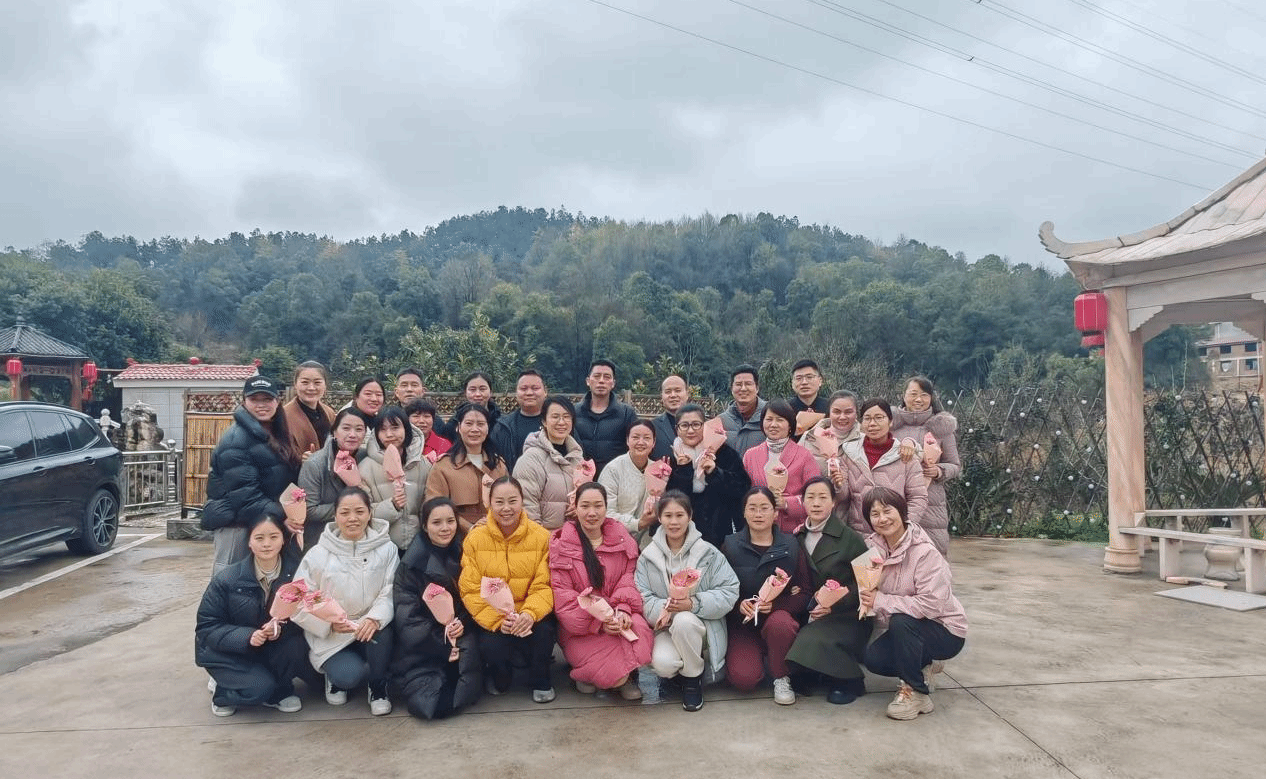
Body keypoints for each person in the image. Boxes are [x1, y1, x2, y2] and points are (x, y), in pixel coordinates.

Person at [859, 487, 967, 721]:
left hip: (945, 629)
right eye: (874, 514)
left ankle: (916, 692)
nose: (882, 518)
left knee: (901, 621)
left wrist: (881, 601)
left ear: (902, 512)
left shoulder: (925, 553)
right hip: (910, 628)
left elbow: (931, 606)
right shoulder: (871, 549)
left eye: (887, 511)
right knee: (874, 659)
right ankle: (923, 664)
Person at [292, 488, 398, 716]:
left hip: (368, 626)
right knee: (349, 676)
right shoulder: (317, 554)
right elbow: (298, 599)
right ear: (335, 516)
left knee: (384, 632)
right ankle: (335, 677)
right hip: (333, 634)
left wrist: (374, 618)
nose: (352, 518)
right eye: (345, 512)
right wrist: (328, 625)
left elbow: (390, 590)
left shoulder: (387, 549)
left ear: (370, 513)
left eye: (359, 511)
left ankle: (378, 686)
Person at [195, 513, 309, 717]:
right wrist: (247, 636)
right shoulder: (227, 578)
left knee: (296, 645)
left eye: (273, 537)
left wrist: (279, 629)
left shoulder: (296, 576)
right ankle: (224, 693)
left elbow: (305, 617)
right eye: (259, 538)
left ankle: (280, 690)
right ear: (249, 542)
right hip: (229, 651)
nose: (266, 544)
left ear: (283, 540)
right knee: (259, 688)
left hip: (271, 648)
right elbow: (207, 626)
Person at [635, 491, 739, 712]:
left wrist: (693, 604)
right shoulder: (647, 557)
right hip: (665, 627)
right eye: (668, 515)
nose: (674, 522)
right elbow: (642, 596)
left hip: (702, 626)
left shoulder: (708, 553)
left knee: (684, 620)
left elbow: (729, 590)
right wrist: (667, 609)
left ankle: (692, 679)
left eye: (679, 515)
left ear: (690, 516)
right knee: (663, 665)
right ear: (659, 518)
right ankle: (680, 671)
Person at [458, 477, 557, 703]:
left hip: (529, 610)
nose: (506, 508)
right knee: (491, 644)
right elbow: (470, 589)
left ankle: (541, 678)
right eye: (499, 502)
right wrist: (497, 620)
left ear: (522, 501)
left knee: (544, 632)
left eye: (512, 501)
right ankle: (501, 674)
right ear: (489, 503)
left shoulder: (541, 537)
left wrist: (529, 613)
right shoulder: (475, 538)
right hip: (495, 614)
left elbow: (545, 584)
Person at [549, 483, 653, 699]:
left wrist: (623, 610)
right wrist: (599, 623)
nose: (592, 513)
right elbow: (564, 598)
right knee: (612, 673)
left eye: (598, 506)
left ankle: (624, 677)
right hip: (582, 629)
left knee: (639, 630)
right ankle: (592, 676)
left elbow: (629, 579)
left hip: (618, 614)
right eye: (585, 506)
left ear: (606, 507)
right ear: (575, 508)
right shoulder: (562, 545)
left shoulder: (622, 539)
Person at [390, 498, 482, 720]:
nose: (445, 528)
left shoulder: (466, 552)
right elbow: (407, 617)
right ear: (424, 526)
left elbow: (475, 597)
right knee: (434, 703)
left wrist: (463, 622)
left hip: (461, 634)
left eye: (450, 521)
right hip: (426, 642)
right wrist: (442, 640)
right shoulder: (411, 564)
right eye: (436, 522)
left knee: (461, 690)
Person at [785, 478, 872, 705]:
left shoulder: (851, 538)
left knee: (808, 641)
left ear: (833, 502)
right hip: (808, 612)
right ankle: (819, 673)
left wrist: (835, 603)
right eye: (810, 497)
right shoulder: (797, 537)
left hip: (846, 616)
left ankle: (849, 680)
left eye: (823, 497)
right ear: (803, 502)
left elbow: (867, 584)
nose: (816, 503)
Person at [721, 487, 811, 705]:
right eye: (752, 508)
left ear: (775, 512)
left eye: (764, 508)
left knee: (780, 623)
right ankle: (757, 658)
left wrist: (778, 605)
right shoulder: (730, 545)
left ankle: (781, 676)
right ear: (744, 512)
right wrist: (738, 605)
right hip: (744, 625)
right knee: (744, 679)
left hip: (777, 621)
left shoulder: (791, 545)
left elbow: (805, 592)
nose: (758, 514)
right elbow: (719, 590)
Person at [202, 376, 298, 575]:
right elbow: (245, 497)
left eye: (267, 399)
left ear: (277, 401)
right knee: (229, 580)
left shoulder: (277, 432)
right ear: (244, 401)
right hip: (235, 525)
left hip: (266, 519)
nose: (261, 405)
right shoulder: (235, 441)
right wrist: (285, 515)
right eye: (255, 400)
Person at [890, 376, 960, 558]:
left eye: (924, 395)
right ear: (903, 395)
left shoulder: (941, 427)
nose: (918, 399)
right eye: (913, 394)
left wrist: (939, 470)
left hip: (932, 501)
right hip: (895, 496)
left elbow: (955, 465)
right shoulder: (890, 425)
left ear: (931, 398)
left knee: (933, 555)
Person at [837, 399, 929, 536]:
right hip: (858, 535)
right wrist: (838, 483)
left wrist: (902, 527)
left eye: (879, 418)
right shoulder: (849, 453)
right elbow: (843, 498)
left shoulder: (905, 455)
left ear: (890, 422)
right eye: (867, 418)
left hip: (894, 535)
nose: (872, 423)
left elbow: (918, 497)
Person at [666, 403, 751, 548]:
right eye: (684, 425)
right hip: (683, 535)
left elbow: (743, 488)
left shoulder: (723, 452)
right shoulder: (671, 459)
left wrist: (715, 472)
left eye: (696, 424)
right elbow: (671, 499)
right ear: (677, 430)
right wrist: (684, 471)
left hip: (721, 534)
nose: (690, 430)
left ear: (704, 426)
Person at [741, 399, 822, 534]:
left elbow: (815, 496)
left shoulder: (805, 456)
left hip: (795, 531)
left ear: (790, 425)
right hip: (758, 530)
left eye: (780, 420)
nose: (773, 424)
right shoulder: (750, 455)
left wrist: (786, 503)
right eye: (769, 419)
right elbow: (744, 493)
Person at [425, 404, 508, 532]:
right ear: (458, 427)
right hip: (457, 536)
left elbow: (509, 500)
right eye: (469, 424)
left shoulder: (498, 465)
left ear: (487, 428)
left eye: (480, 424)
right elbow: (434, 506)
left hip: (497, 533)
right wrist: (470, 528)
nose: (475, 429)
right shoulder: (443, 466)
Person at [359, 406, 430, 551]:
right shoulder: (366, 467)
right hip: (381, 545)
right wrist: (392, 506)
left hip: (419, 546)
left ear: (406, 429)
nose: (389, 434)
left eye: (395, 428)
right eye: (383, 429)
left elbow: (430, 505)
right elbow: (361, 511)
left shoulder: (423, 464)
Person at [297, 409, 368, 549]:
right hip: (322, 539)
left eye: (359, 429)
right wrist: (348, 508)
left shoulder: (365, 458)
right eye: (346, 428)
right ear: (334, 432)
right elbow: (309, 509)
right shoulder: (315, 464)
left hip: (359, 538)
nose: (352, 434)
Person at [513, 395, 584, 530]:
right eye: (555, 417)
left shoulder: (577, 458)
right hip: (544, 538)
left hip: (574, 537)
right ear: (544, 421)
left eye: (566, 417)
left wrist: (581, 508)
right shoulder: (530, 460)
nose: (561, 422)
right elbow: (527, 508)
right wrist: (542, 539)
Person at [597, 420, 659, 544]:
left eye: (647, 438)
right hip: (615, 539)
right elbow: (606, 512)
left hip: (650, 541)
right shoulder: (613, 469)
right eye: (635, 437)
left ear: (654, 442)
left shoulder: (659, 470)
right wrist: (638, 524)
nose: (641, 442)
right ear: (627, 440)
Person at [574, 359, 639, 473]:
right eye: (597, 376)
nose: (601, 381)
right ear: (588, 381)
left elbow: (634, 447)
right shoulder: (574, 412)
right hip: (581, 476)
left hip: (615, 477)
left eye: (607, 377)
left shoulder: (627, 414)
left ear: (613, 383)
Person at [492, 369, 548, 472]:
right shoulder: (502, 427)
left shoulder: (559, 425)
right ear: (516, 393)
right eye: (523, 388)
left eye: (535, 388)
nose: (529, 393)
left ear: (545, 392)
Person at [282, 361, 335, 463]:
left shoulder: (329, 413)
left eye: (317, 383)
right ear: (295, 384)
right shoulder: (283, 416)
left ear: (325, 385)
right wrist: (299, 459)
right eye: (305, 382)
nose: (311, 388)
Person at [802, 390, 862, 477]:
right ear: (829, 413)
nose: (842, 417)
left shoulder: (864, 440)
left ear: (856, 414)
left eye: (848, 412)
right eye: (836, 412)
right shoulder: (809, 437)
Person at [438, 371, 502, 441]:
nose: (477, 394)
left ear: (491, 392)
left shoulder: (500, 423)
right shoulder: (454, 423)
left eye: (482, 389)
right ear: (465, 392)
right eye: (472, 389)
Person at [719, 364, 768, 457]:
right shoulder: (721, 421)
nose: (743, 389)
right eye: (738, 384)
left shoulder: (772, 415)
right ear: (732, 388)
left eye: (748, 384)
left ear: (757, 388)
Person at [650, 374, 689, 461]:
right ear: (662, 396)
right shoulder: (652, 427)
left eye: (678, 391)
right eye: (668, 392)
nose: (673, 395)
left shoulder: (702, 425)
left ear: (687, 394)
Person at [788, 359, 829, 441]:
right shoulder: (785, 409)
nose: (804, 382)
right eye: (799, 378)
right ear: (792, 383)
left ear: (820, 381)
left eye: (809, 377)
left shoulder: (831, 407)